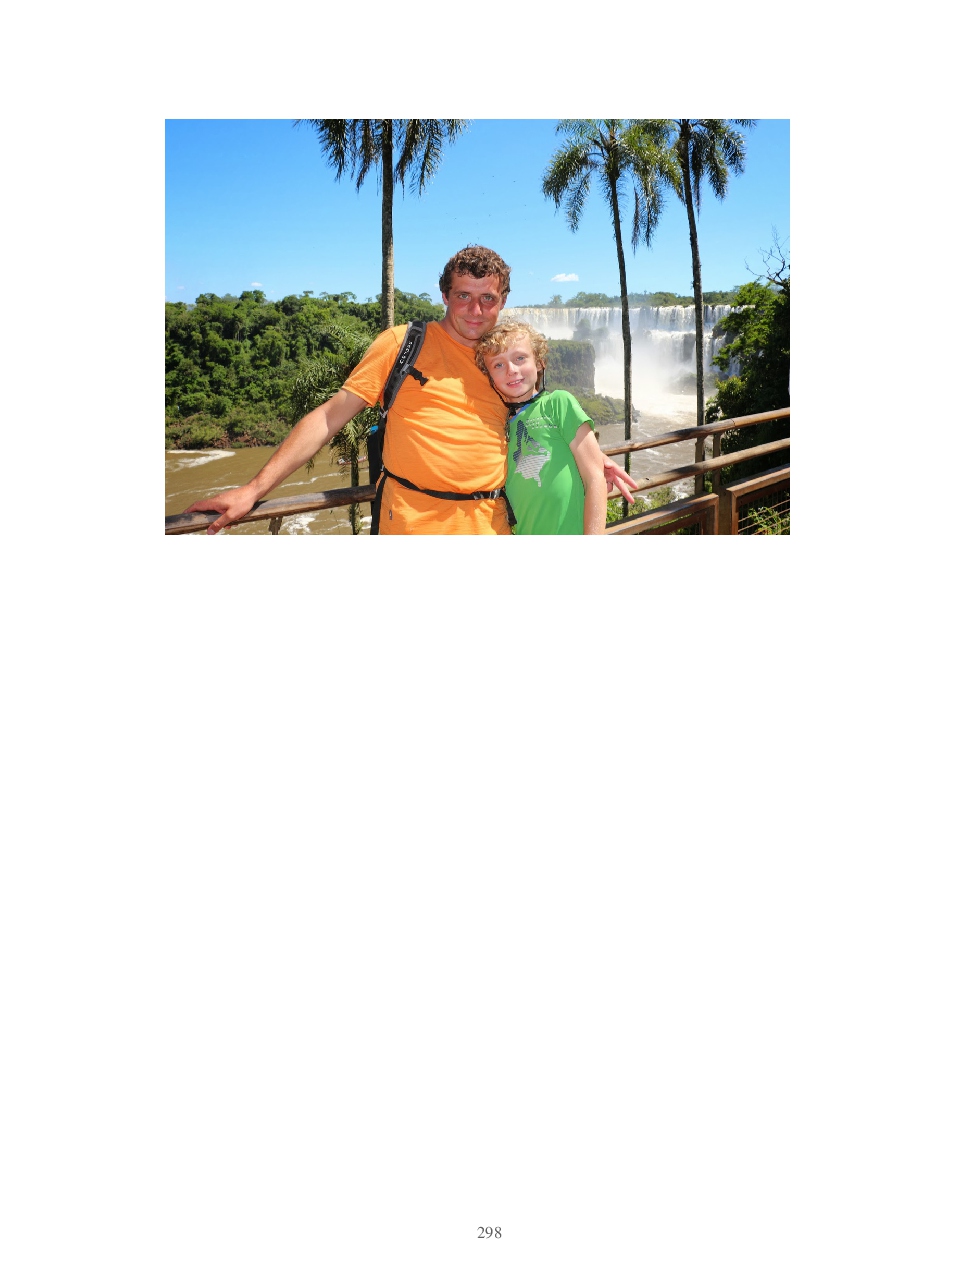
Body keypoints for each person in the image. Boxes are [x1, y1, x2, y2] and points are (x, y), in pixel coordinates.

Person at [184, 245, 636, 535]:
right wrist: (254, 488)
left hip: (491, 526)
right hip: (411, 523)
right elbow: (329, 417)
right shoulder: (403, 343)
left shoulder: (500, 362)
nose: (475, 309)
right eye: (463, 295)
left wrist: (587, 457)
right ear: (445, 296)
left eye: (488, 298)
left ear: (502, 302)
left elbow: (533, 421)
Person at [475, 321, 606, 535]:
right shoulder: (495, 423)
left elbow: (595, 477)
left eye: (520, 358)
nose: (512, 370)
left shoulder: (558, 403)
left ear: (539, 362)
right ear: (488, 376)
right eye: (498, 365)